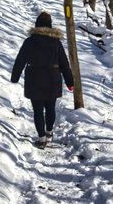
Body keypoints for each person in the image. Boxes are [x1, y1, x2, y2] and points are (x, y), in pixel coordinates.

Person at [11, 12, 74, 149]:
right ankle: (49, 133)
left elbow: (20, 61)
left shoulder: (29, 42)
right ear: (50, 26)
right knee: (50, 108)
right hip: (53, 79)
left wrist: (15, 77)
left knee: (38, 110)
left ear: (36, 25)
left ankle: (42, 139)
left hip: (34, 80)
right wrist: (70, 82)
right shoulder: (56, 43)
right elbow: (64, 63)